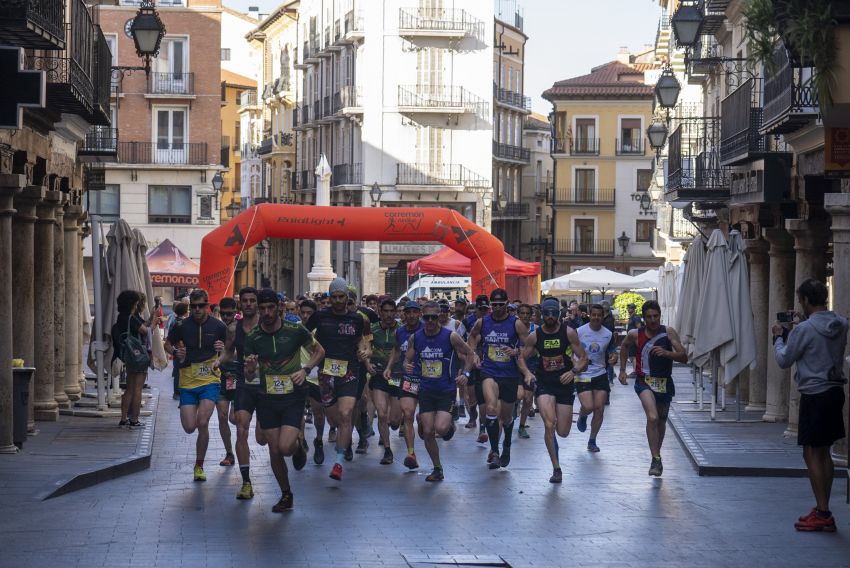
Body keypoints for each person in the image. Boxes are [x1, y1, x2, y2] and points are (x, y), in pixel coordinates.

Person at [771, 278, 848, 532]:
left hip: (814, 394)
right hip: (835, 391)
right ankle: (822, 508)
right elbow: (821, 336)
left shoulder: (803, 331)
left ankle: (823, 511)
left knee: (810, 453)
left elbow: (784, 360)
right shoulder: (841, 324)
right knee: (824, 451)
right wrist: (803, 326)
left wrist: (779, 338)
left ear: (804, 300)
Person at [243, 288, 323, 512]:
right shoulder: (253, 337)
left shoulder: (295, 330)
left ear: (278, 308)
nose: (266, 312)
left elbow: (319, 351)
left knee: (285, 447)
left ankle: (297, 448)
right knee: (275, 450)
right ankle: (286, 494)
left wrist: (306, 370)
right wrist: (250, 371)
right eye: (262, 309)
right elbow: (250, 375)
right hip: (266, 397)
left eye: (270, 308)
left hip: (293, 395)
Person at [306, 277, 370, 481]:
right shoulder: (320, 316)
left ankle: (339, 463)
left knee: (345, 414)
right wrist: (313, 352)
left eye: (341, 296)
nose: (338, 300)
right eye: (334, 297)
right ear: (329, 297)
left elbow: (361, 339)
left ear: (347, 297)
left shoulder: (357, 319)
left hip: (349, 372)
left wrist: (363, 351)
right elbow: (303, 335)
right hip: (326, 374)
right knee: (334, 419)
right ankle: (341, 443)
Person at [404, 301, 475, 481]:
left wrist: (466, 373)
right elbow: (407, 360)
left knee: (441, 429)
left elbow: (470, 354)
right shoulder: (416, 338)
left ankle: (448, 424)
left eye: (433, 317)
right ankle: (437, 468)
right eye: (426, 317)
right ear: (422, 316)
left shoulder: (450, 336)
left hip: (446, 390)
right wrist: (407, 365)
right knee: (428, 432)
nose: (429, 321)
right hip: (426, 390)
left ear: (440, 317)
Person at [520, 298, 587, 482]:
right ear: (542, 314)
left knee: (563, 432)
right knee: (549, 425)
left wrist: (573, 372)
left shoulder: (569, 332)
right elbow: (521, 358)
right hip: (544, 383)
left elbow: (583, 358)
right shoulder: (535, 336)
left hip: (564, 384)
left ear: (559, 313)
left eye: (553, 313)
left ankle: (579, 415)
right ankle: (556, 467)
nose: (550, 317)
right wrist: (527, 373)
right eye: (547, 313)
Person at [165, 289, 228, 482]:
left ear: (208, 305)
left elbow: (229, 352)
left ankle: (199, 466)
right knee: (190, 427)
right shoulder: (181, 325)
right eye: (194, 306)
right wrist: (176, 351)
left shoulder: (218, 326)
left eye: (201, 306)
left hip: (210, 378)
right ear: (190, 307)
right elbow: (167, 344)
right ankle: (199, 461)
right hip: (188, 379)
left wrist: (222, 352)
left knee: (203, 422)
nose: (198, 310)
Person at [618, 300, 687, 476]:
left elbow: (684, 356)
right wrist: (623, 370)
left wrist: (667, 353)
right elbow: (624, 346)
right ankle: (655, 458)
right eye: (649, 317)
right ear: (644, 318)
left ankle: (656, 456)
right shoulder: (635, 334)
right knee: (652, 417)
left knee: (661, 420)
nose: (653, 320)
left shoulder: (668, 332)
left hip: (664, 381)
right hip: (644, 381)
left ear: (660, 316)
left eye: (655, 316)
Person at [467, 288, 529, 469]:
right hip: (489, 371)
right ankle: (494, 451)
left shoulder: (516, 324)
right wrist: (474, 355)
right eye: (494, 305)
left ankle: (506, 445)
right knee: (491, 409)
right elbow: (471, 338)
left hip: (509, 374)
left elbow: (529, 345)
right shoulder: (483, 322)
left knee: (507, 417)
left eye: (501, 305)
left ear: (507, 304)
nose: (497, 308)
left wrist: (517, 351)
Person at [222, 286, 261, 499]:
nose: (248, 304)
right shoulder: (233, 329)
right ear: (240, 304)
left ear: (257, 303)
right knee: (241, 429)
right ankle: (246, 482)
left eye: (251, 301)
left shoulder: (266, 326)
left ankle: (296, 440)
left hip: (266, 385)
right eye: (244, 301)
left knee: (264, 438)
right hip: (244, 382)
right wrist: (218, 362)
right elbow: (229, 350)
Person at [384, 300, 424, 470]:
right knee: (407, 413)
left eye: (415, 312)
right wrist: (389, 367)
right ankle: (411, 453)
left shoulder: (426, 329)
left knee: (426, 420)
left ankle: (424, 423)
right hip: (408, 378)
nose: (412, 315)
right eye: (409, 312)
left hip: (429, 379)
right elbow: (396, 350)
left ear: (419, 314)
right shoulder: (400, 332)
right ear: (404, 314)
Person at [574, 305, 617, 452]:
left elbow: (612, 351)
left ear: (603, 316)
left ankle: (592, 440)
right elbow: (568, 350)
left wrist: (613, 358)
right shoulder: (579, 331)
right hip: (583, 374)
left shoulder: (608, 334)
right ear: (589, 315)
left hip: (600, 373)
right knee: (588, 407)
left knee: (599, 409)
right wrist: (576, 365)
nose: (597, 318)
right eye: (594, 315)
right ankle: (583, 414)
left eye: (599, 315)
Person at [365, 298, 403, 465]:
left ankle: (393, 424)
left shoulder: (402, 330)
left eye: (391, 311)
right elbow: (364, 348)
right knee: (381, 413)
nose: (388, 315)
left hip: (397, 375)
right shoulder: (372, 329)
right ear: (379, 312)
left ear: (395, 312)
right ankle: (388, 450)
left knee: (394, 420)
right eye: (385, 311)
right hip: (379, 375)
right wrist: (367, 364)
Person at [111, 290, 157, 428]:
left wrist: (151, 318)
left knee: (130, 388)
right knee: (137, 389)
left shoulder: (121, 317)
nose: (138, 304)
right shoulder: (131, 317)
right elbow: (146, 331)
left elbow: (142, 326)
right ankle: (134, 419)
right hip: (138, 356)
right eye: (136, 301)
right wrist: (154, 322)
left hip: (129, 355)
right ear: (133, 303)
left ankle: (123, 419)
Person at [298, 299, 328, 465]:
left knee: (318, 412)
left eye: (309, 313)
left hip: (317, 375)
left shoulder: (321, 331)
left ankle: (318, 440)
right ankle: (301, 440)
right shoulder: (295, 329)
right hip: (300, 375)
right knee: (299, 410)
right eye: (303, 312)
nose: (305, 316)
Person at [215, 297, 239, 466]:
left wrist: (227, 351)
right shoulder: (217, 328)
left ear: (236, 312)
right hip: (222, 377)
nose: (226, 317)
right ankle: (229, 453)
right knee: (222, 416)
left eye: (229, 314)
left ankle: (241, 446)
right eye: (223, 314)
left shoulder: (242, 328)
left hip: (238, 376)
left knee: (233, 418)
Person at [516, 304, 537, 439]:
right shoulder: (513, 328)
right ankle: (512, 412)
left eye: (527, 313)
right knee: (519, 396)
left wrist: (521, 351)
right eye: (522, 313)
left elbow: (536, 349)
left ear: (531, 315)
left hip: (531, 366)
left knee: (528, 398)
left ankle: (522, 426)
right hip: (514, 366)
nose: (524, 316)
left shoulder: (536, 330)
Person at [168, 300, 190, 400]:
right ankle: (177, 392)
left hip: (176, 350)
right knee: (178, 372)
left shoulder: (173, 320)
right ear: (185, 311)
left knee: (177, 371)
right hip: (180, 350)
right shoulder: (182, 323)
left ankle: (177, 392)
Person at [626, 303, 643, 376]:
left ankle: (635, 371)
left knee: (633, 355)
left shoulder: (636, 317)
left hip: (634, 339)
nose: (628, 309)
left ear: (633, 309)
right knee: (632, 355)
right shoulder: (631, 317)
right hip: (631, 339)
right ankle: (635, 370)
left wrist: (637, 339)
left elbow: (639, 328)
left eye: (630, 308)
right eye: (628, 308)